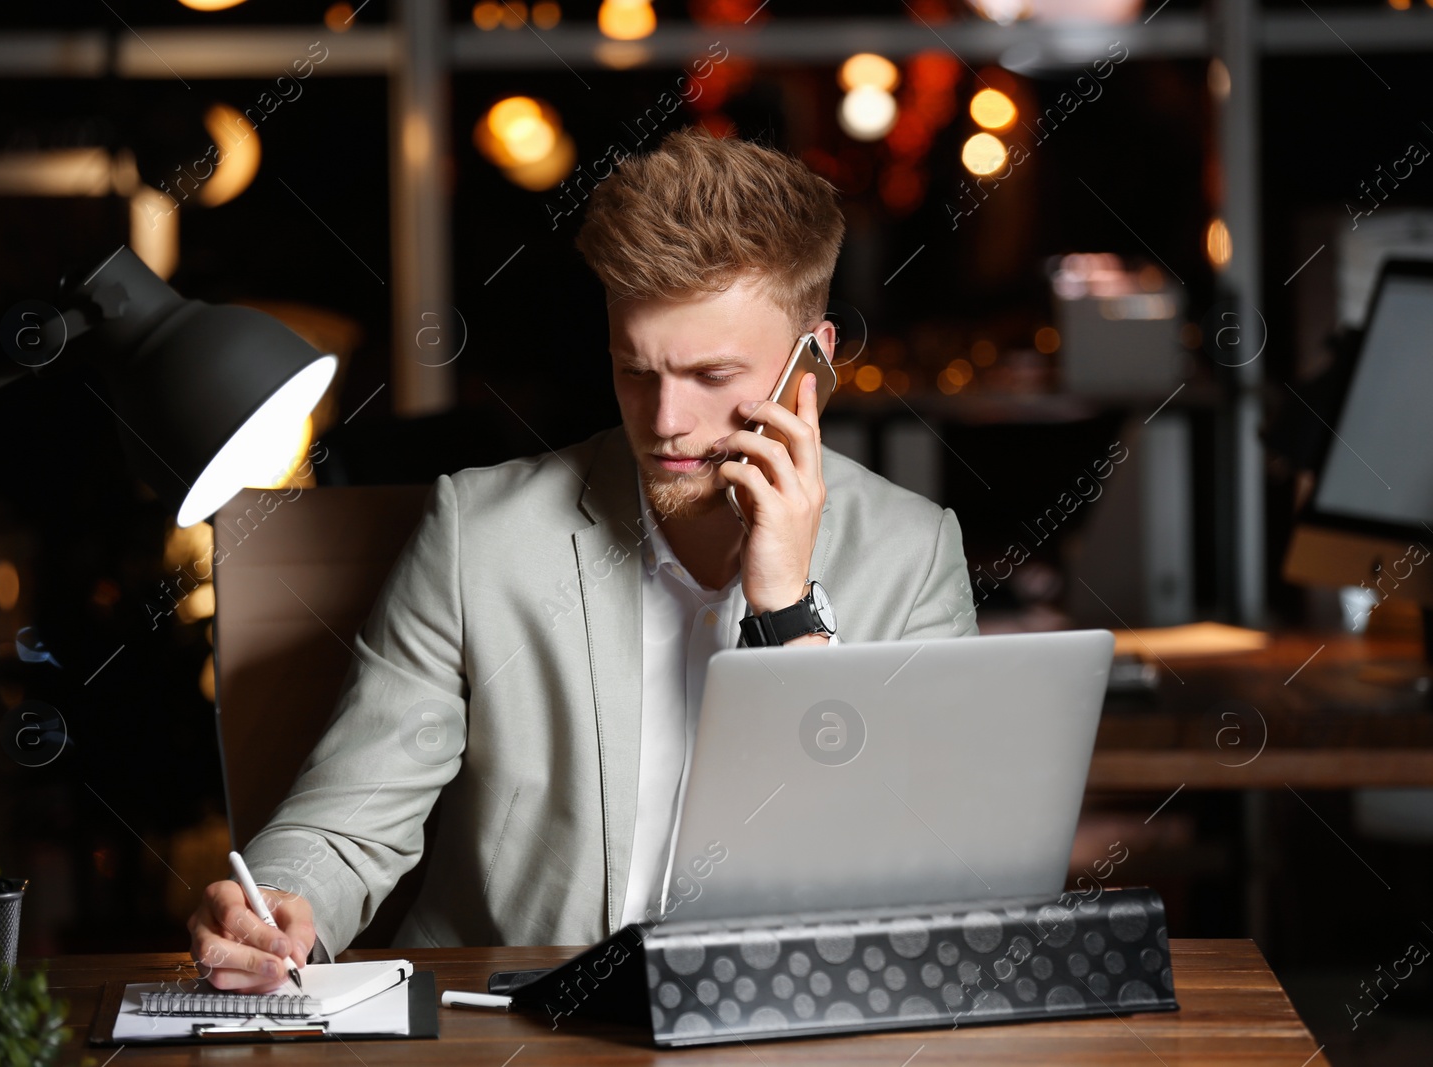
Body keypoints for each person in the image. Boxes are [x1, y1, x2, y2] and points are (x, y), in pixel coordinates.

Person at [187, 125, 978, 992]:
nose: (666, 419)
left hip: (790, 1027)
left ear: (811, 364)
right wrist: (281, 903)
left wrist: (786, 610)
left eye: (712, 376)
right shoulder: (478, 533)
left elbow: (935, 879)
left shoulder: (912, 553)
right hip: (518, 1029)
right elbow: (349, 821)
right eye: (636, 370)